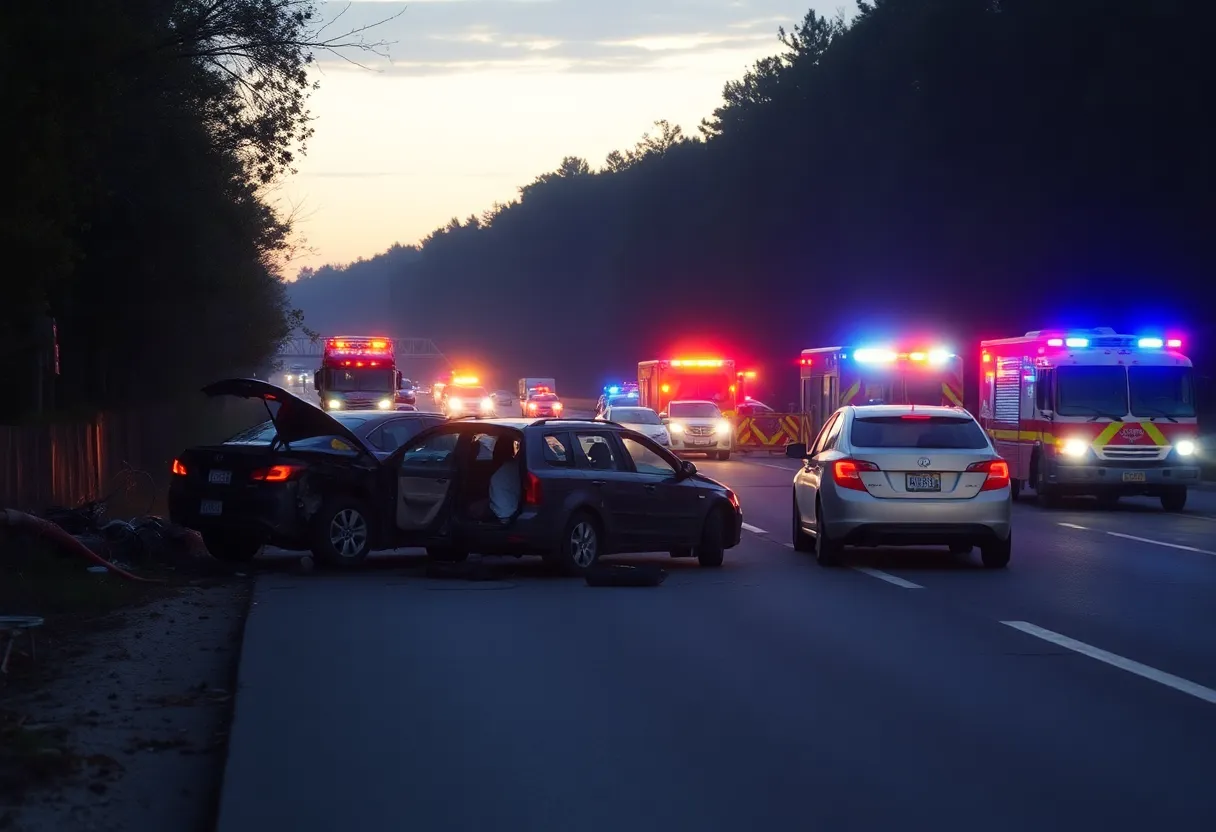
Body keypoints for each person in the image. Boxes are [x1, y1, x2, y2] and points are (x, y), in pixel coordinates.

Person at [467, 438, 520, 521]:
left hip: (501, 512)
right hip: (515, 509)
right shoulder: (518, 467)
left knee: (473, 508)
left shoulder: (499, 471)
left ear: (497, 451)